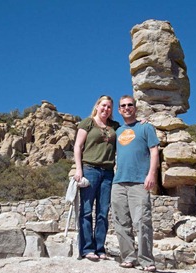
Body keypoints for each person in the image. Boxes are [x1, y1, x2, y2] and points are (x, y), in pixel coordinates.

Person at [111, 95, 160, 272]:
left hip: (140, 181)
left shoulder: (145, 127)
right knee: (121, 222)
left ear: (135, 107)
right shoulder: (116, 131)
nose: (126, 108)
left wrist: (151, 174)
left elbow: (154, 151)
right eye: (123, 105)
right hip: (118, 182)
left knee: (142, 222)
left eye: (130, 105)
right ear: (119, 110)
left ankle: (147, 260)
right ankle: (128, 258)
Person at [73, 95, 120, 261]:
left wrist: (141, 122)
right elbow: (78, 146)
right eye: (103, 106)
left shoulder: (114, 126)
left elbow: (129, 131)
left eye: (109, 107)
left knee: (103, 212)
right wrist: (79, 169)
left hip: (108, 172)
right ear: (97, 106)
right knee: (86, 211)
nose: (106, 109)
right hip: (90, 169)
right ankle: (87, 249)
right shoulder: (88, 122)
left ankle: (100, 248)